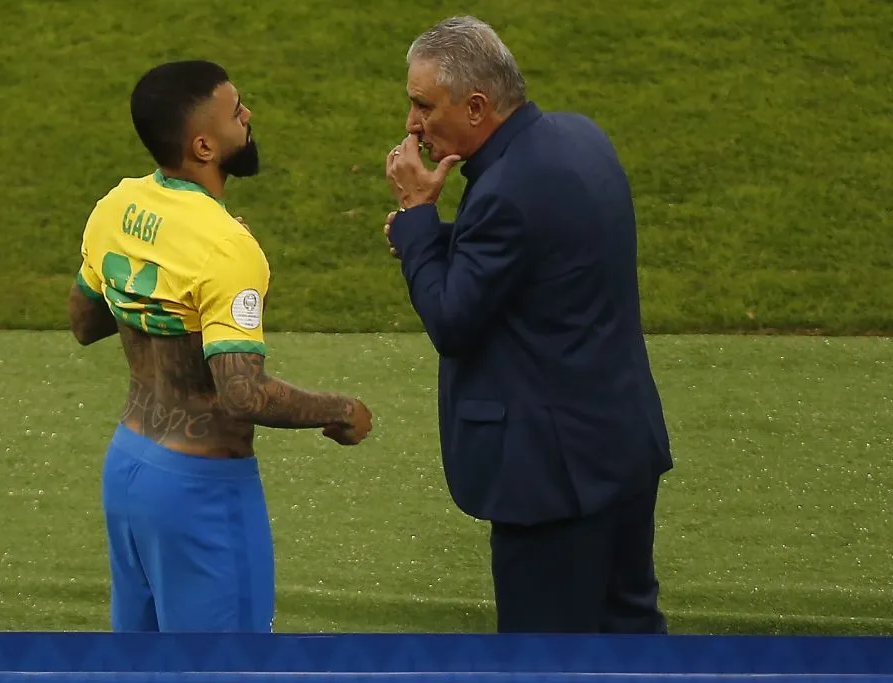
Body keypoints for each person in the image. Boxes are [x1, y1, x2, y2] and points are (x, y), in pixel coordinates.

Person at [383, 17, 673, 634]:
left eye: (421, 105)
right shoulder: (577, 137)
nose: (412, 124)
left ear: (477, 106)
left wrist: (415, 219)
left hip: (552, 476)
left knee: (544, 653)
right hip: (618, 445)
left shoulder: (505, 194)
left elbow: (453, 320)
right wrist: (432, 242)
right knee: (630, 633)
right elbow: (544, 250)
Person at [67, 60, 373, 633]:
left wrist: (162, 296)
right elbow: (242, 393)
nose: (248, 116)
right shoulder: (228, 248)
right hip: (198, 493)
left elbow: (85, 322)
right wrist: (341, 411)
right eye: (237, 112)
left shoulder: (115, 207)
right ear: (204, 145)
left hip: (128, 467)